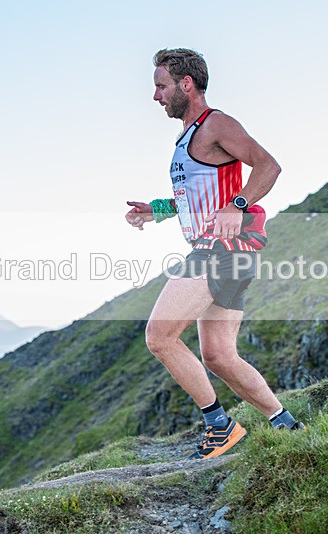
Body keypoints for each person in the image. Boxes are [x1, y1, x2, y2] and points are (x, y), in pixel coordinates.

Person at [125, 48, 304, 460]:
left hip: (221, 250)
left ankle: (220, 427)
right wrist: (157, 209)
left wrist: (237, 205)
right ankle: (285, 424)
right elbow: (193, 197)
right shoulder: (187, 136)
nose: (156, 96)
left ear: (185, 84)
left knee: (159, 337)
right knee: (220, 356)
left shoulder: (215, 124)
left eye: (161, 86)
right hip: (229, 253)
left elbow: (268, 166)